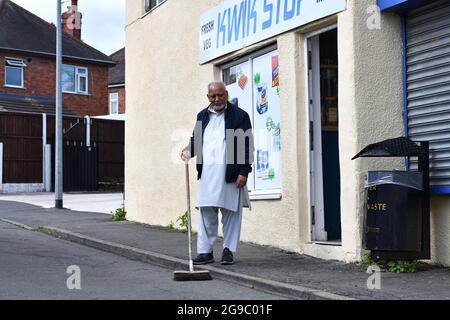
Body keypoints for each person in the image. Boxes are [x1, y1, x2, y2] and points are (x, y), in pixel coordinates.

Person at [181, 81, 253, 265]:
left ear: (226, 94)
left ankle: (228, 250)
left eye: (220, 95)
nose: (217, 99)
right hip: (207, 174)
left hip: (230, 173)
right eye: (213, 96)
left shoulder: (239, 116)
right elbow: (196, 140)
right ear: (208, 97)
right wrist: (188, 150)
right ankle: (205, 252)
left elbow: (247, 146)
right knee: (206, 212)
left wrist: (244, 171)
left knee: (231, 213)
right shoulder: (202, 116)